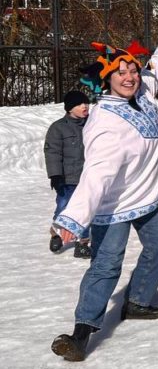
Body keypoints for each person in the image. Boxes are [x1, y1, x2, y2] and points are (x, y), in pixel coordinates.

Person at [51, 33, 158, 362]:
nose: (130, 77)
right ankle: (80, 334)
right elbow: (97, 176)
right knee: (107, 265)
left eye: (133, 70)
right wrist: (73, 219)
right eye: (121, 73)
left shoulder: (144, 89)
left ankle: (137, 302)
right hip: (114, 205)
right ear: (107, 80)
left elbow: (157, 69)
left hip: (151, 194)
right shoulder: (105, 121)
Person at [44, 90, 91, 258]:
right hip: (67, 179)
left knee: (85, 211)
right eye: (79, 104)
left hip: (88, 178)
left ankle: (83, 243)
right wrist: (56, 176)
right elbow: (53, 154)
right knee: (64, 207)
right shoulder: (58, 128)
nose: (84, 106)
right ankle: (56, 232)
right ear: (70, 108)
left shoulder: (93, 123)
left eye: (86, 102)